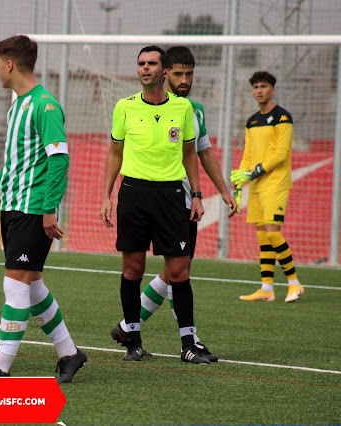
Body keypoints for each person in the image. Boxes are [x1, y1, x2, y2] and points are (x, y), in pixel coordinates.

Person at [0, 34, 87, 383]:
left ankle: (0, 368)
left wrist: (49, 209)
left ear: (8, 64)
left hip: (34, 210)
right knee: (32, 283)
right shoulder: (17, 105)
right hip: (12, 207)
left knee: (15, 286)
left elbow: (59, 160)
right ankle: (70, 353)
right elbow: (17, 162)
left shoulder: (44, 105)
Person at [101, 45, 211, 364]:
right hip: (133, 194)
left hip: (171, 196)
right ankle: (133, 340)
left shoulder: (183, 108)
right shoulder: (124, 107)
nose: (145, 68)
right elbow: (114, 153)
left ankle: (188, 344)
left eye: (152, 63)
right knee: (132, 269)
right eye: (141, 63)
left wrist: (198, 195)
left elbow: (190, 153)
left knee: (179, 270)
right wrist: (106, 196)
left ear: (164, 71)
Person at [137, 46, 237, 362]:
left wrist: (222, 190)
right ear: (165, 72)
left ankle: (132, 327)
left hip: (183, 201)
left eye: (189, 74)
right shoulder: (142, 106)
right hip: (150, 199)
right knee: (173, 270)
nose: (184, 80)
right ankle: (180, 340)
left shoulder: (193, 109)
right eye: (178, 73)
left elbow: (203, 152)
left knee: (178, 269)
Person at [231, 71, 304, 303]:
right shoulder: (252, 121)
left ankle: (294, 283)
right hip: (257, 185)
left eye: (263, 86)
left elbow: (282, 154)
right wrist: (240, 182)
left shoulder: (283, 118)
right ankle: (267, 289)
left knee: (273, 234)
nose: (259, 90)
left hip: (276, 184)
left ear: (272, 89)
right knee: (262, 237)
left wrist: (258, 170)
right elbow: (248, 154)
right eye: (255, 87)